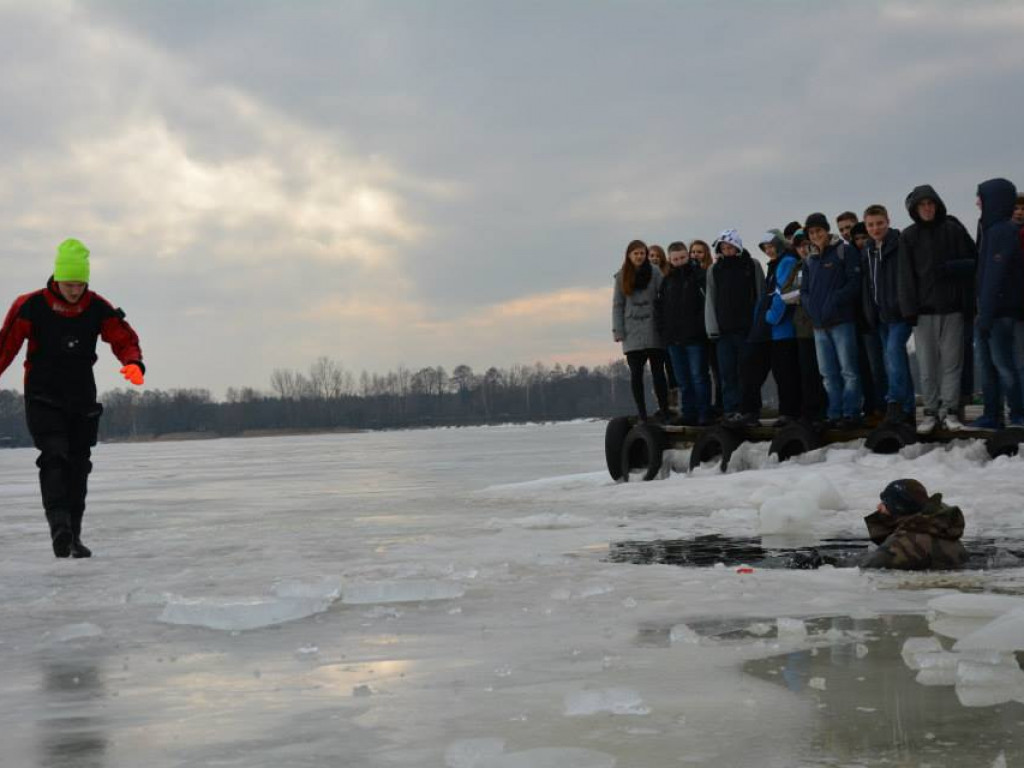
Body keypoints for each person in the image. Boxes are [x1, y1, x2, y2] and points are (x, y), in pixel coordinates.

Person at [0, 239, 145, 558]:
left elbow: (123, 337)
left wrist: (133, 362)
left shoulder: (97, 307)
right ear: (57, 277)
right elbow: (5, 346)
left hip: (81, 397)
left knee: (79, 466)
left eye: (80, 284)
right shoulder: (30, 306)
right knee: (54, 456)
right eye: (69, 283)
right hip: (43, 395)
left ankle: (74, 536)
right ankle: (59, 528)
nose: (75, 290)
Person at [898, 185, 976, 433]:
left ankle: (950, 412)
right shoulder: (908, 236)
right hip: (923, 311)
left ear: (938, 205)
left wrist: (952, 268)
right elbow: (904, 276)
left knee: (952, 363)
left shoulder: (953, 230)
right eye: (922, 205)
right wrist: (908, 309)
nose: (927, 208)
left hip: (953, 308)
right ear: (915, 209)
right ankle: (931, 413)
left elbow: (974, 261)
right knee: (928, 365)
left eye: (931, 203)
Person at [795, 479, 968, 571]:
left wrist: (823, 563)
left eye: (884, 504)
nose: (878, 507)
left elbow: (867, 567)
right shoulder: (937, 529)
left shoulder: (906, 542)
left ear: (898, 508)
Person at [800, 213, 863, 428]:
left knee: (849, 371)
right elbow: (804, 290)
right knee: (827, 373)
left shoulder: (843, 251)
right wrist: (810, 307)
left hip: (841, 321)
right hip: (819, 326)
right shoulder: (809, 259)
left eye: (819, 230)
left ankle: (851, 412)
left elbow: (855, 283)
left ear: (826, 230)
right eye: (812, 232)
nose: (816, 235)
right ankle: (834, 413)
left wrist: (834, 300)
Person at [974, 178, 1024, 427]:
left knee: (1005, 366)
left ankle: (1016, 413)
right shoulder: (990, 229)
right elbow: (984, 270)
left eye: (980, 197)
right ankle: (992, 414)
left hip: (1000, 312)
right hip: (992, 310)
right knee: (989, 366)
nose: (977, 202)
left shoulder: (1001, 231)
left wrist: (985, 314)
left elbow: (995, 275)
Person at [861, 204, 915, 427]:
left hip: (900, 313)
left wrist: (907, 306)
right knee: (894, 360)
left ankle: (894, 403)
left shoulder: (900, 243)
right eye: (871, 225)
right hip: (880, 314)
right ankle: (908, 409)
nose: (875, 228)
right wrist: (869, 311)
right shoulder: (868, 250)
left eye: (879, 223)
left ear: (888, 221)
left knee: (894, 353)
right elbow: (868, 284)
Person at [704, 229, 766, 421]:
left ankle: (750, 410)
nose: (727, 250)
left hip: (747, 329)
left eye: (730, 246)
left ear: (737, 246)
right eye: (723, 247)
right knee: (727, 373)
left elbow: (761, 294)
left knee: (748, 373)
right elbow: (711, 298)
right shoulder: (715, 269)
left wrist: (759, 325)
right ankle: (731, 409)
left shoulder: (751, 265)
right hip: (724, 331)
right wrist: (712, 327)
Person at [613, 239, 670, 423]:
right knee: (636, 375)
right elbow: (617, 305)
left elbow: (665, 294)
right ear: (629, 256)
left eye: (642, 253)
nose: (639, 256)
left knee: (658, 372)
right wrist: (618, 331)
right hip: (632, 331)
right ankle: (642, 413)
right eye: (635, 253)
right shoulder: (622, 276)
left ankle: (665, 410)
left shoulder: (654, 272)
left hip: (653, 327)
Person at [657, 242, 712, 425]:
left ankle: (704, 413)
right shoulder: (667, 281)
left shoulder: (699, 276)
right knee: (683, 380)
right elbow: (661, 308)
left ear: (687, 256)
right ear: (670, 260)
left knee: (699, 377)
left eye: (682, 258)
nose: (679, 262)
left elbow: (705, 306)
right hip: (674, 339)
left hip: (695, 337)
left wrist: (699, 328)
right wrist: (664, 332)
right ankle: (688, 413)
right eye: (675, 259)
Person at [762, 230, 801, 425]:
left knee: (785, 372)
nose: (769, 250)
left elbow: (782, 294)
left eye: (771, 246)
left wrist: (770, 317)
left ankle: (789, 412)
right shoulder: (776, 264)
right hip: (778, 331)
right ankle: (787, 410)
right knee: (781, 372)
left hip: (784, 327)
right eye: (766, 248)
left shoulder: (786, 262)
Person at [788, 230, 826, 426]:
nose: (803, 249)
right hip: (802, 327)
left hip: (822, 324)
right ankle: (810, 411)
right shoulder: (797, 267)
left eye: (806, 244)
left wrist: (802, 294)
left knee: (825, 371)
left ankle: (825, 410)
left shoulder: (819, 262)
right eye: (799, 246)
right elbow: (786, 293)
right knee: (807, 371)